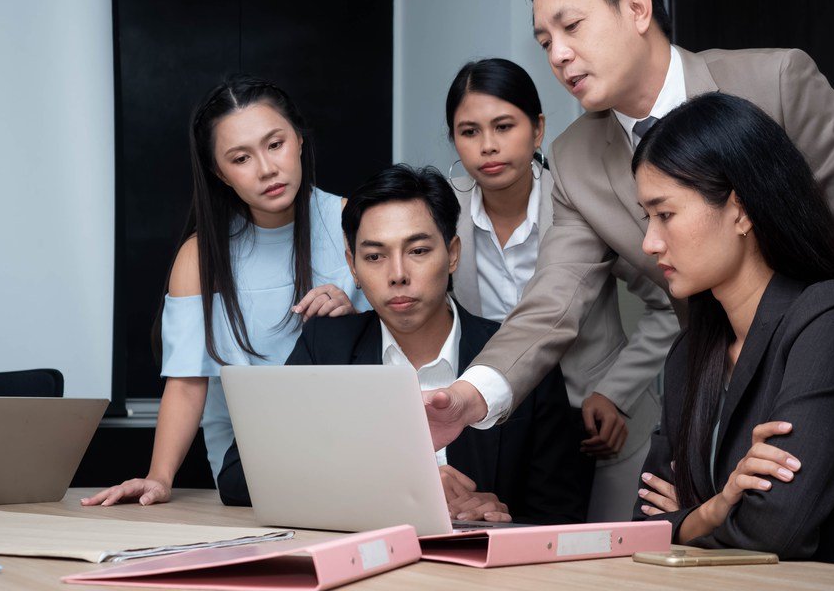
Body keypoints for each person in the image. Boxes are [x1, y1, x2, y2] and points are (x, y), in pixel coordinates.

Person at [422, 0, 834, 454]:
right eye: (545, 41)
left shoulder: (776, 82)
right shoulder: (574, 158)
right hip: (719, 401)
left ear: (637, 8)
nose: (559, 54)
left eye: (571, 27)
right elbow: (554, 297)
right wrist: (470, 395)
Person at [218, 165, 587, 525]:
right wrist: (403, 488)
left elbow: (563, 515)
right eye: (375, 256)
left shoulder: (520, 360)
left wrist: (498, 518)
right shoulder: (326, 347)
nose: (397, 275)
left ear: (452, 253)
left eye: (418, 251)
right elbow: (236, 478)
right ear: (352, 266)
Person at [83, 76, 365, 506]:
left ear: (300, 141)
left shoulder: (355, 224)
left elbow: (407, 338)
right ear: (219, 172)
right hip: (251, 464)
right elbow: (186, 382)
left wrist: (353, 319)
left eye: (276, 144)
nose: (267, 169)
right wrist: (159, 478)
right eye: (241, 158)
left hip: (355, 440)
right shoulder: (199, 258)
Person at [631, 93, 834, 568]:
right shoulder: (690, 351)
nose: (649, 242)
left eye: (665, 214)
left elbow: (777, 531)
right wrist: (717, 507)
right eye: (646, 218)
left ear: (741, 210)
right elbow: (641, 526)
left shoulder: (832, 319)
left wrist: (688, 520)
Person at [444, 57, 678, 520]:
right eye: (469, 132)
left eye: (504, 126)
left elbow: (670, 303)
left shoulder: (580, 198)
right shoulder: (443, 212)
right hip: (495, 423)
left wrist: (616, 391)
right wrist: (342, 292)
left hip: (598, 418)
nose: (488, 146)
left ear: (537, 130)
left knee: (608, 560)